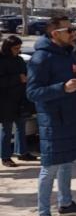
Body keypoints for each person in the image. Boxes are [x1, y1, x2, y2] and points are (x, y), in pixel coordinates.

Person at [27, 16, 76, 216]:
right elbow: (32, 92)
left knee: (66, 163)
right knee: (49, 168)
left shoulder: (67, 54)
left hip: (70, 116)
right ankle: (43, 215)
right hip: (52, 121)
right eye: (69, 30)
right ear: (55, 33)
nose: (74, 33)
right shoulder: (41, 57)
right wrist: (62, 88)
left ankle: (66, 203)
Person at [0, 36, 38, 167]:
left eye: (19, 48)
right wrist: (17, 78)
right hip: (6, 102)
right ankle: (5, 157)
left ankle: (22, 152)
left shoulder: (19, 59)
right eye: (16, 48)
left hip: (20, 99)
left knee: (21, 127)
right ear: (8, 47)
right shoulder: (2, 61)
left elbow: (26, 75)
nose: (18, 50)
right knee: (7, 129)